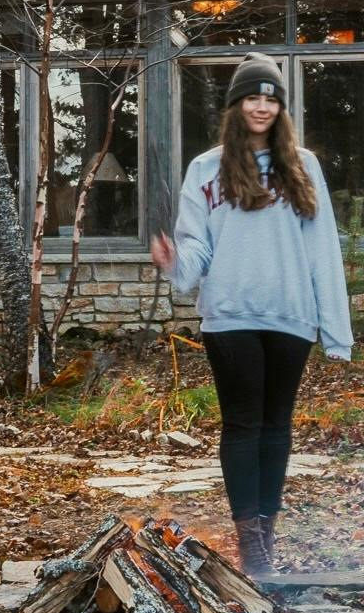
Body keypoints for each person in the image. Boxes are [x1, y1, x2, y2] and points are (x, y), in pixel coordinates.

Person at [150, 53, 353, 579]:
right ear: (236, 104)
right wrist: (175, 263)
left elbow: (323, 248)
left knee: (276, 426)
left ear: (280, 108)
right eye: (252, 97)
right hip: (230, 315)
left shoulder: (302, 166)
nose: (262, 107)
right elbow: (197, 247)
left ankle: (267, 534)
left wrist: (336, 330)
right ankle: (251, 547)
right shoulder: (206, 169)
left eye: (271, 99)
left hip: (290, 314)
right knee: (243, 425)